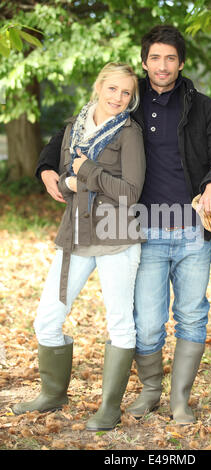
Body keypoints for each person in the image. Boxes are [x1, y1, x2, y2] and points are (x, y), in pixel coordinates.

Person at [35, 25, 211, 426]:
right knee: (146, 321)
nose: (162, 66)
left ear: (181, 63)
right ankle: (149, 392)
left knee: (192, 314)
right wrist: (45, 167)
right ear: (145, 62)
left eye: (171, 58)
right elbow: (71, 132)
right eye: (155, 58)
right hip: (144, 228)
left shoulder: (202, 107)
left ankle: (180, 400)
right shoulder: (129, 101)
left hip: (193, 227)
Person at [12, 62, 146, 432]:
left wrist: (85, 174)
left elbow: (131, 193)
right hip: (74, 233)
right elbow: (62, 173)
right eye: (113, 89)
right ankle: (52, 394)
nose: (119, 98)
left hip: (116, 236)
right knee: (47, 319)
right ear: (99, 87)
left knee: (120, 323)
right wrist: (56, 176)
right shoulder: (75, 127)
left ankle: (108, 408)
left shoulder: (129, 133)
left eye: (126, 93)